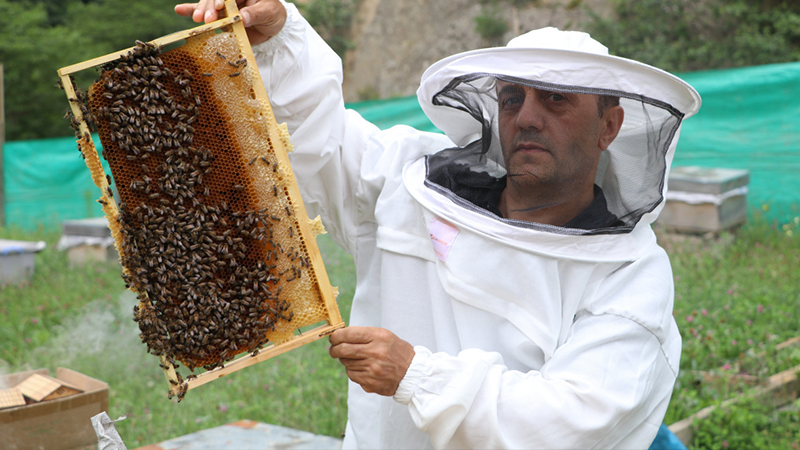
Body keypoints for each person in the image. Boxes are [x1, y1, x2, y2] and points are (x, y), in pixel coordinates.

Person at [178, 1, 701, 448]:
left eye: (556, 98)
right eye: (512, 97)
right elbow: (319, 138)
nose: (527, 117)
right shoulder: (412, 183)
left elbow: (573, 419)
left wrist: (416, 375)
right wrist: (278, 39)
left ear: (609, 125)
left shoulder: (630, 276)